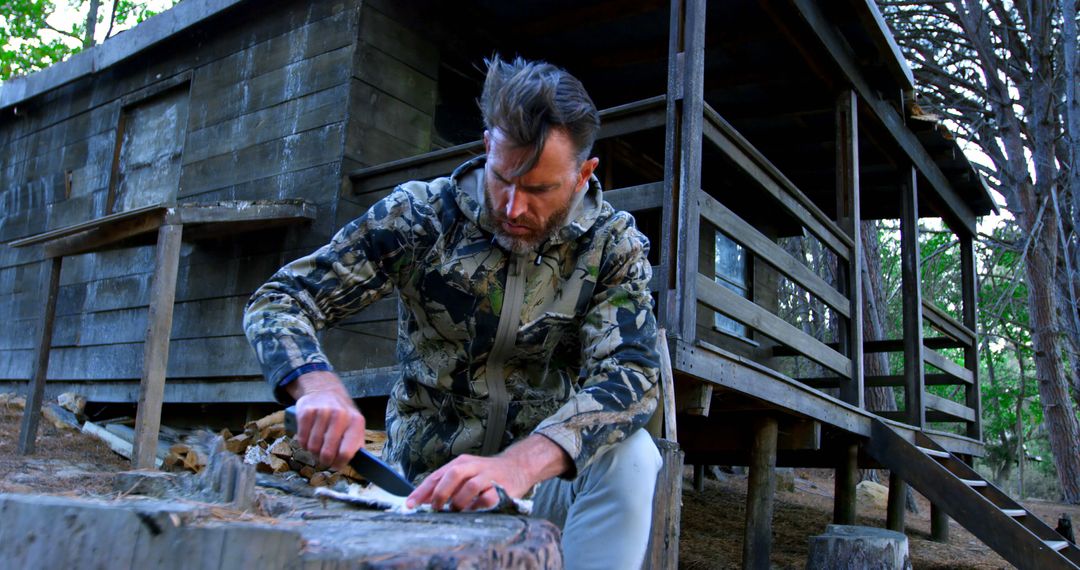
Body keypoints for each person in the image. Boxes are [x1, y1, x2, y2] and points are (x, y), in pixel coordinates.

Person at [244, 55, 662, 568]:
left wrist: (516, 465)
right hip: (425, 487)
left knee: (634, 456)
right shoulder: (421, 217)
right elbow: (283, 297)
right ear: (488, 146)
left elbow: (632, 373)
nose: (512, 208)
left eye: (538, 190)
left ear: (582, 175)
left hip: (545, 484)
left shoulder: (611, 246)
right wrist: (315, 385)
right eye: (503, 177)